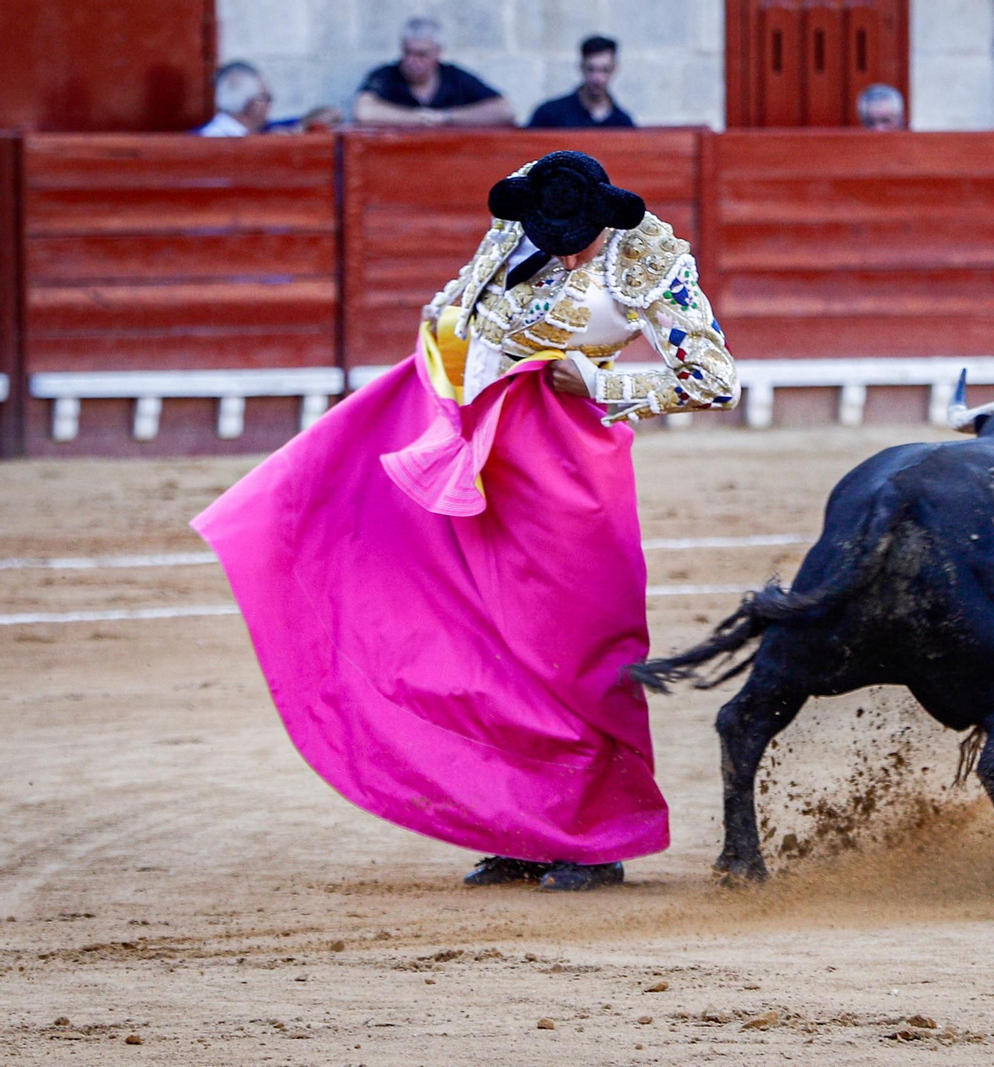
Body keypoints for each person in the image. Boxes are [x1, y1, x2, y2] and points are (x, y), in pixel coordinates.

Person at [192, 151, 735, 893]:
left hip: (567, 465)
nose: (567, 250)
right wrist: (442, 352)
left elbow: (713, 378)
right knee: (483, 653)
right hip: (474, 460)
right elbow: (454, 307)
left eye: (579, 238)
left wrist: (602, 379)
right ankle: (517, 827)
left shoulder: (649, 261)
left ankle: (596, 837)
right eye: (554, 235)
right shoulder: (516, 232)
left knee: (575, 648)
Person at [354, 17, 516, 128]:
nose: (412, 61)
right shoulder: (385, 75)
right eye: (407, 52)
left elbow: (504, 110)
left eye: (421, 54)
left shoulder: (455, 77)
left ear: (438, 53)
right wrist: (420, 118)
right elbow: (364, 112)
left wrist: (447, 117)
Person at [527, 35, 635, 128]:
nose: (597, 78)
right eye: (591, 69)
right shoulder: (549, 114)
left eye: (604, 70)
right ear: (581, 67)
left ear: (614, 69)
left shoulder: (622, 123)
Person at [197, 62, 273, 136]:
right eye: (266, 97)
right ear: (252, 103)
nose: (269, 104)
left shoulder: (205, 136)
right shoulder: (213, 140)